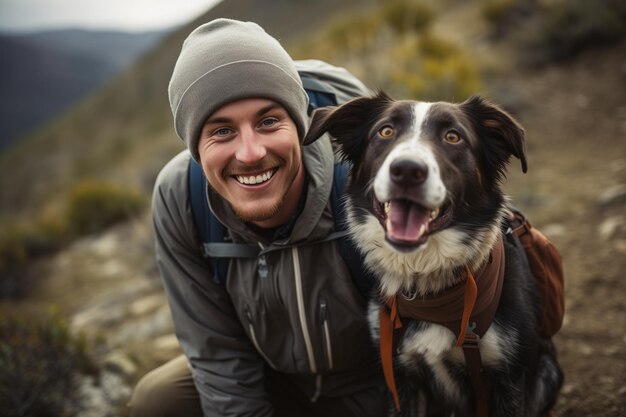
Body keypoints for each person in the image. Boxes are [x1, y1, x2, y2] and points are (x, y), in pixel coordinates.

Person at [128, 18, 387, 417]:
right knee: (158, 400)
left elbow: (429, 343)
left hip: (378, 385)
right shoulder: (181, 196)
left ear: (300, 125)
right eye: (221, 131)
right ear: (195, 146)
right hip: (275, 379)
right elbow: (219, 358)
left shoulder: (364, 178)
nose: (249, 153)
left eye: (268, 122)